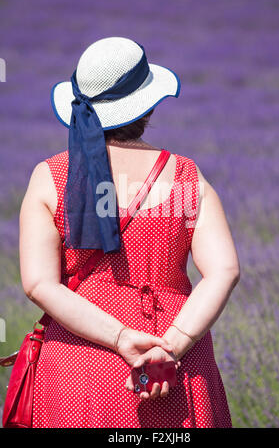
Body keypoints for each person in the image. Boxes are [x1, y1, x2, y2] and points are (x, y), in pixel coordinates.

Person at [19, 37, 240, 428]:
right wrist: (170, 346)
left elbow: (39, 284)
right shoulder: (187, 176)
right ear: (149, 106)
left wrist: (121, 337)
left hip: (78, 365)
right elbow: (224, 272)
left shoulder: (48, 177)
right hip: (175, 367)